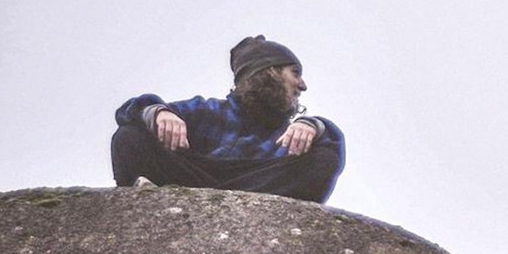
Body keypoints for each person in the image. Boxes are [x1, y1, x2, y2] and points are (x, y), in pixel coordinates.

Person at [111, 36, 345, 203]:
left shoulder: (288, 135)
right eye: (295, 73)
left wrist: (315, 125)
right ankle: (151, 195)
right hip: (189, 181)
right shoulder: (208, 111)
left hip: (257, 189)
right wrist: (159, 113)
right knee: (129, 136)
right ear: (269, 72)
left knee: (324, 157)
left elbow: (333, 147)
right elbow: (129, 112)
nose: (302, 85)